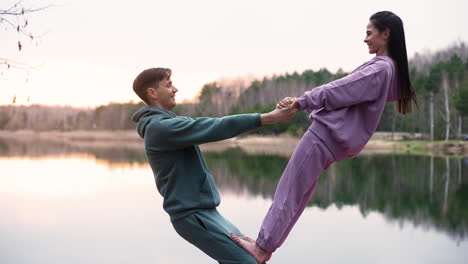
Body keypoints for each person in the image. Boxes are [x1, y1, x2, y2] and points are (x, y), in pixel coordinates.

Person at [231, 11, 418, 263]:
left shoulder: (379, 68)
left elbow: (341, 89)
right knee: (299, 193)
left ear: (386, 34)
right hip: (335, 143)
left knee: (289, 191)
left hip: (324, 136)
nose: (365, 39)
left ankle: (262, 248)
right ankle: (266, 244)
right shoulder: (391, 70)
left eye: (369, 33)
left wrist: (301, 102)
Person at [131, 67, 297, 264]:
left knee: (256, 258)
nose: (175, 89)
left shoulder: (168, 124)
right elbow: (215, 126)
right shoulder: (160, 129)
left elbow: (211, 125)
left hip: (207, 212)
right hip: (193, 216)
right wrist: (268, 118)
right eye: (168, 85)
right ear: (152, 93)